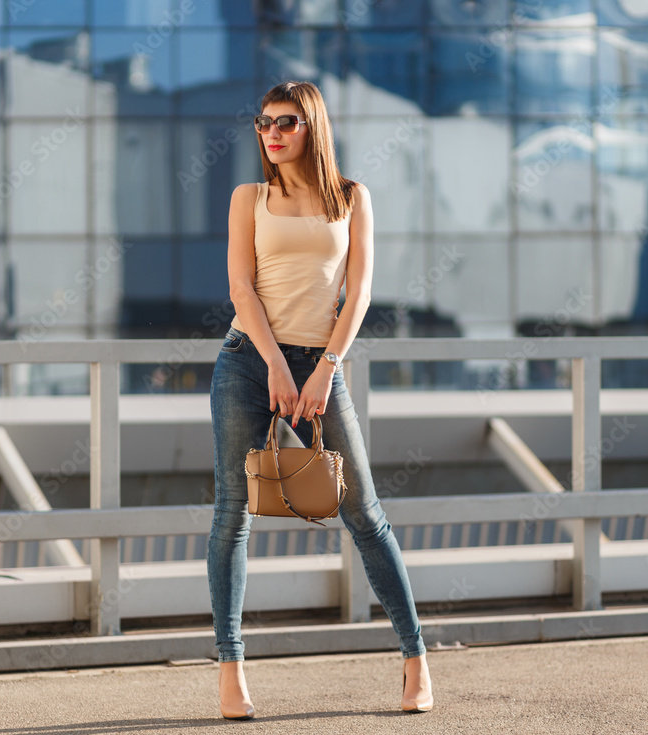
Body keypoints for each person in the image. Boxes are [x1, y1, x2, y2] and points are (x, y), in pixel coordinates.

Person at [207, 80, 434, 720]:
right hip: (249, 361)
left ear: (312, 127)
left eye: (285, 122)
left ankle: (416, 661)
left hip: (321, 367)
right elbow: (241, 290)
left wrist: (324, 368)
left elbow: (358, 293)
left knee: (364, 511)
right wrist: (277, 367)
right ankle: (231, 673)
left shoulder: (352, 199)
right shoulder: (248, 198)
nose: (271, 133)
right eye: (263, 123)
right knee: (232, 514)